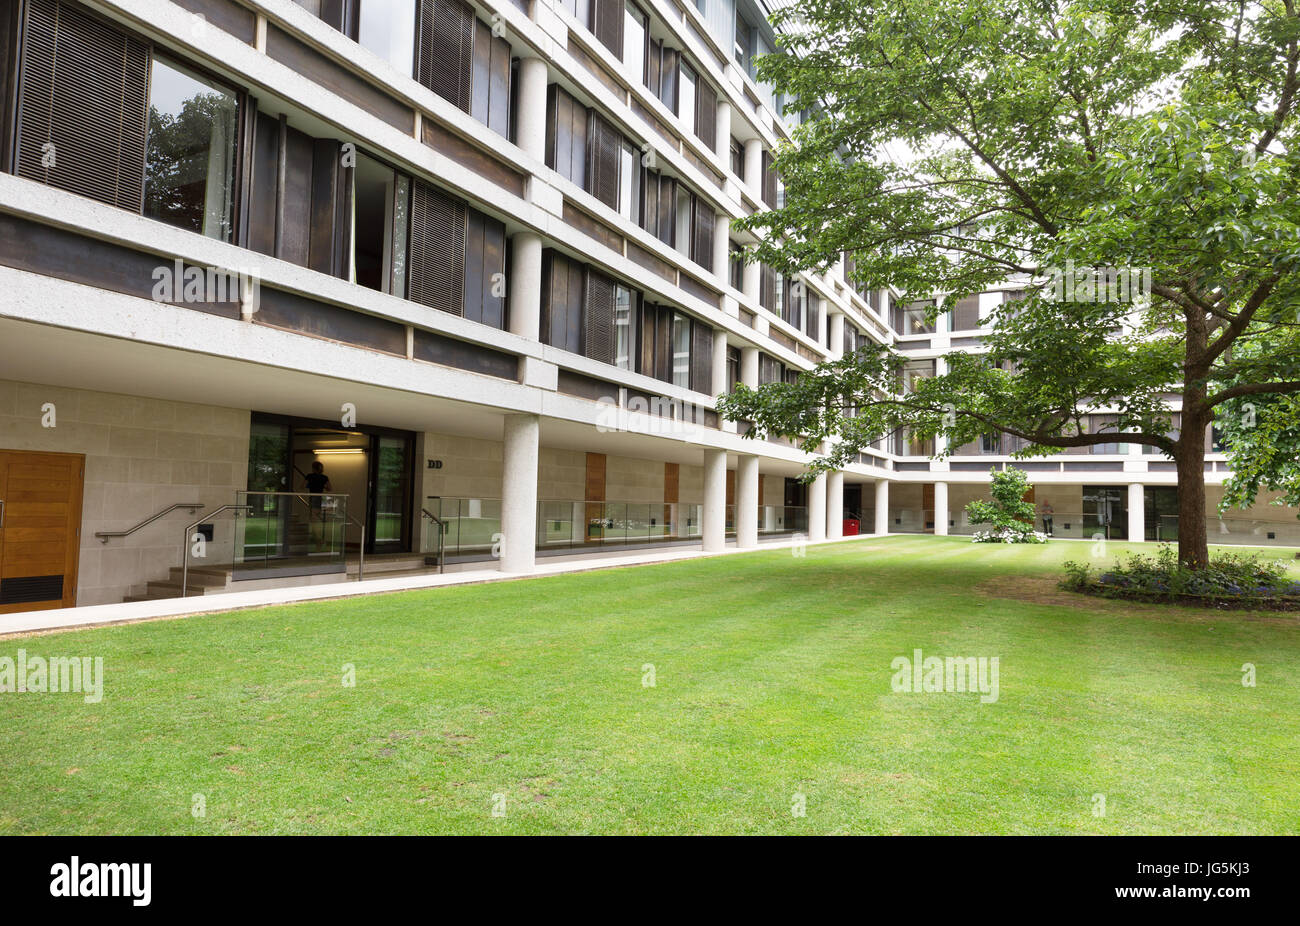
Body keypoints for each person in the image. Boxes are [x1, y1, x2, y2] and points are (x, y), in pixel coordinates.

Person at [304, 462, 332, 551]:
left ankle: (320, 540)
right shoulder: (324, 477)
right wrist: (323, 486)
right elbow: (330, 488)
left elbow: (302, 486)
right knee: (314, 521)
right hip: (320, 498)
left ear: (313, 468)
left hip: (313, 499)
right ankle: (319, 542)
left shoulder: (309, 476)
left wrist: (309, 485)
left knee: (313, 522)